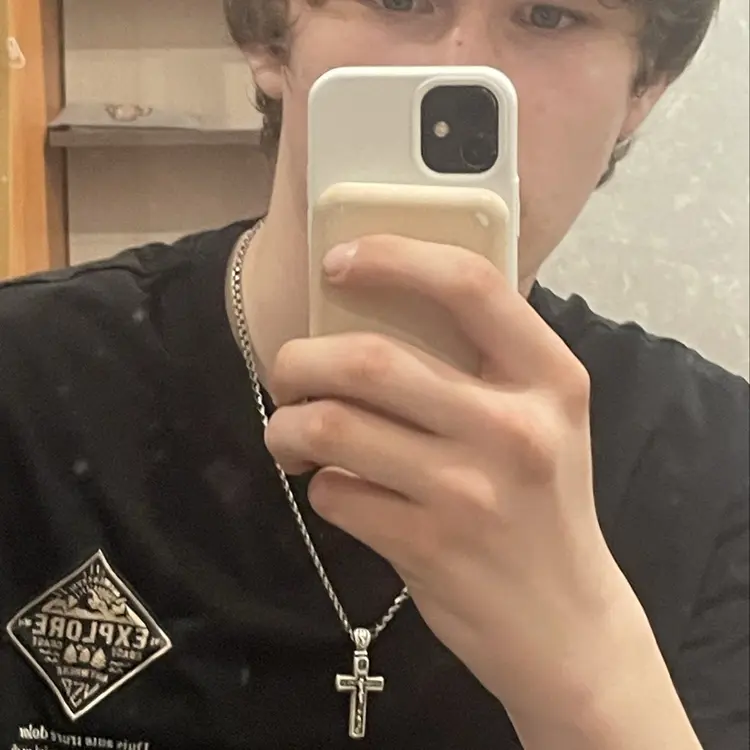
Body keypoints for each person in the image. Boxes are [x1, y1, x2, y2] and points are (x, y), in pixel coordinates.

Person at [1, 1, 747, 748]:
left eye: (549, 15)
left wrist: (590, 672)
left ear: (645, 86)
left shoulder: (722, 468)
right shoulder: (24, 385)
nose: (460, 73)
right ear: (269, 34)